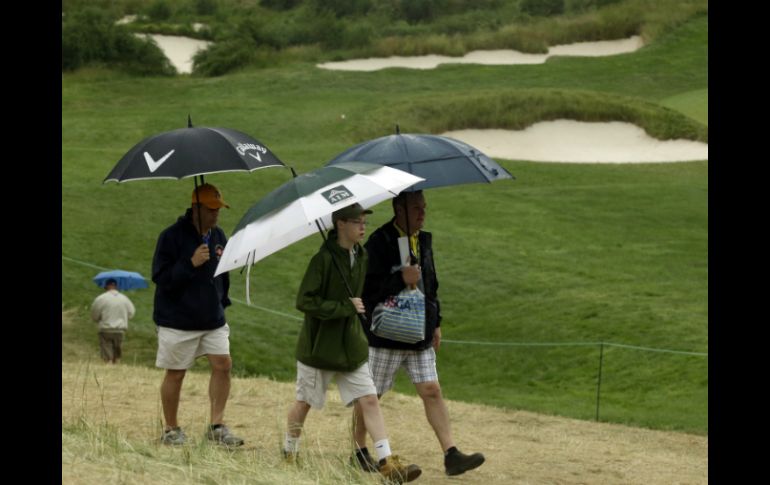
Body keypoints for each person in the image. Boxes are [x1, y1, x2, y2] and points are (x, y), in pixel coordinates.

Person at [283, 203, 421, 483]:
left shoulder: (362, 254)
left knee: (370, 399)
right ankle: (289, 451)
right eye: (357, 222)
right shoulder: (321, 261)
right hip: (319, 349)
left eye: (364, 223)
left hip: (352, 347)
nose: (363, 227)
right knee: (305, 402)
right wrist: (344, 307)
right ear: (340, 225)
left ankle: (386, 461)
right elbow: (305, 301)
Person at [352, 190, 485, 476]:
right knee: (370, 394)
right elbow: (368, 289)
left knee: (432, 390)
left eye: (424, 208)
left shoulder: (423, 240)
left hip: (420, 332)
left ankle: (451, 455)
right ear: (398, 209)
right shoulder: (379, 241)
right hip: (387, 334)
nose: (423, 213)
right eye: (416, 208)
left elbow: (431, 284)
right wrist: (400, 278)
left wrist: (436, 322)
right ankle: (358, 450)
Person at [151, 183, 243, 447]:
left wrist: (221, 302)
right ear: (196, 209)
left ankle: (216, 426)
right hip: (177, 320)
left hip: (212, 318)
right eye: (212, 209)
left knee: (223, 364)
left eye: (219, 209)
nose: (216, 214)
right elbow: (160, 277)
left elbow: (223, 274)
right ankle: (171, 429)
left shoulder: (218, 236)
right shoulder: (170, 237)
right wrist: (189, 264)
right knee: (176, 373)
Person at [90, 278, 135, 364]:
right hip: (120, 330)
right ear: (116, 286)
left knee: (107, 353)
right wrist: (124, 317)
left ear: (106, 286)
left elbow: (94, 315)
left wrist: (98, 319)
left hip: (105, 329)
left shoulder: (101, 298)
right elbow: (131, 312)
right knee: (117, 354)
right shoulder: (124, 299)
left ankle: (108, 365)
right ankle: (115, 366)